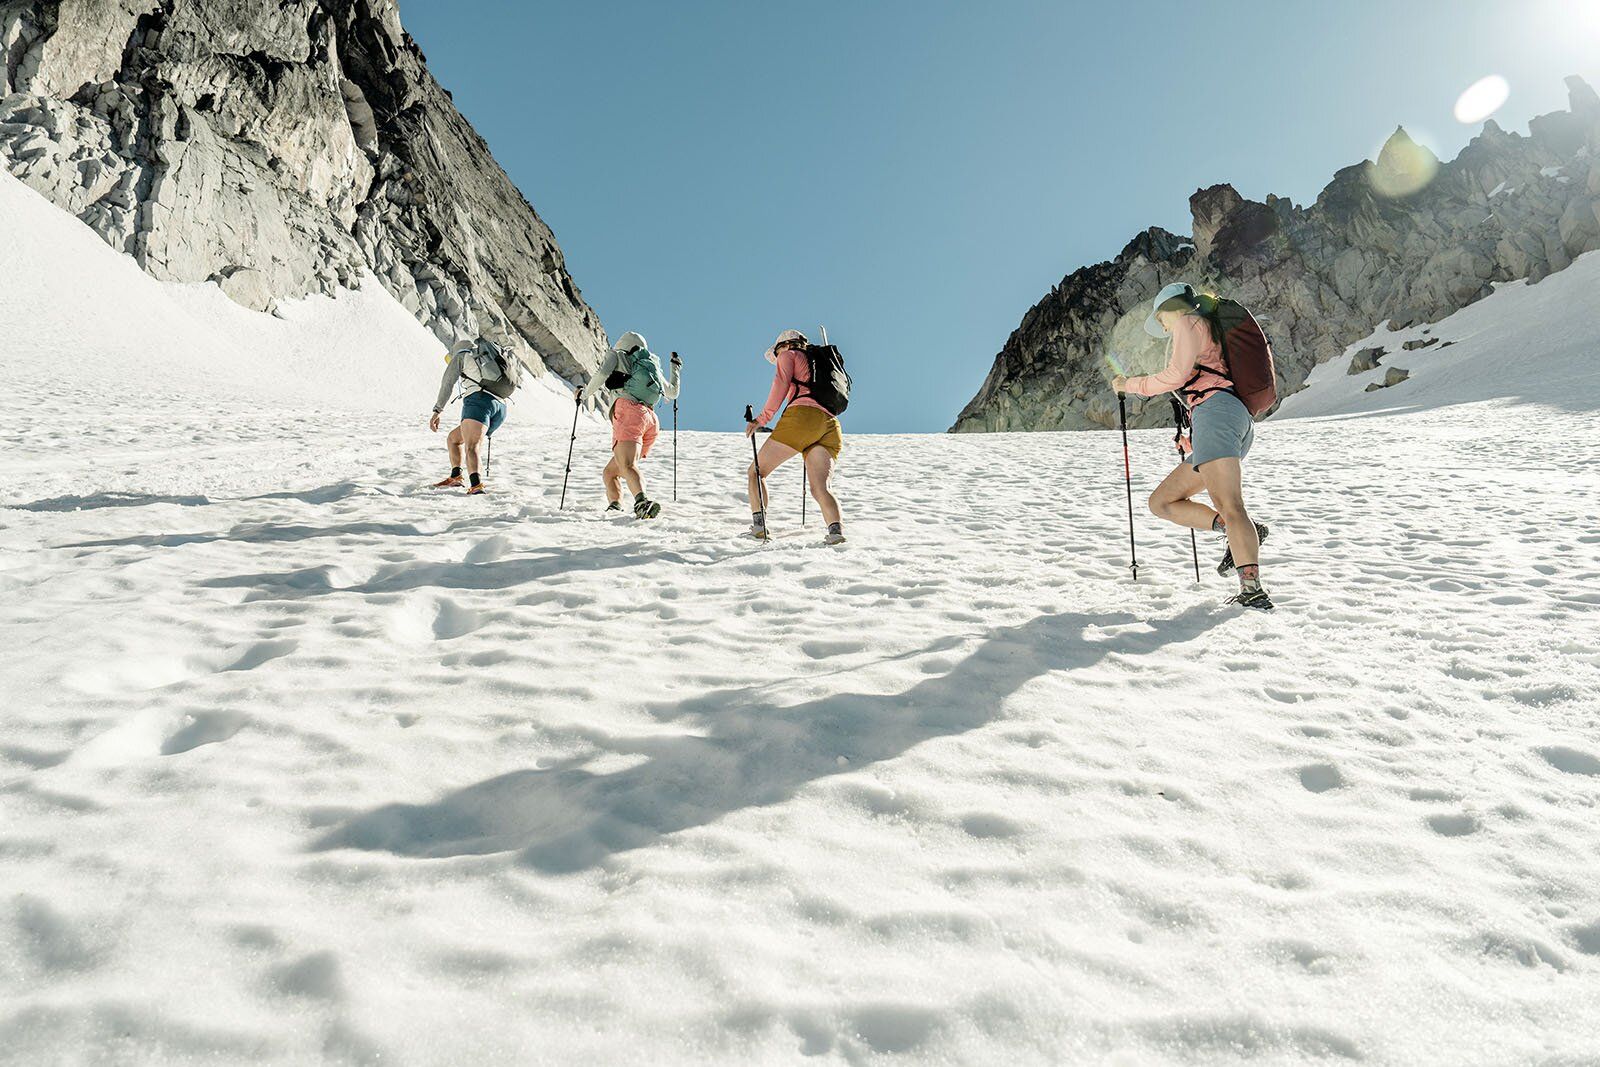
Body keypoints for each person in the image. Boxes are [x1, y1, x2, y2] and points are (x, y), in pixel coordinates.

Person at [1112, 283, 1273, 611]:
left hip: (1217, 413)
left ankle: (1253, 590)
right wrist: (1193, 438)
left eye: (1160, 321)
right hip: (1224, 418)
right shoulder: (1205, 327)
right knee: (1162, 502)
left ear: (1165, 310)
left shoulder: (1187, 321)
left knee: (1230, 503)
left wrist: (1130, 384)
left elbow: (1176, 375)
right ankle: (1238, 530)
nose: (1163, 327)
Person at [745, 329, 845, 545]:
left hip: (802, 418)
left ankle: (759, 526)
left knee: (756, 472)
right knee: (821, 488)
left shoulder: (788, 355)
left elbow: (780, 385)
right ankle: (836, 532)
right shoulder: (819, 362)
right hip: (830, 425)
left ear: (784, 345)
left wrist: (761, 420)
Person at [577, 331, 680, 518]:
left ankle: (642, 502)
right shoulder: (651, 367)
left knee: (627, 465)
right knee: (610, 472)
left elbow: (602, 373)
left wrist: (584, 394)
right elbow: (672, 393)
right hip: (650, 419)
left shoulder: (618, 356)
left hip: (629, 413)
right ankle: (615, 505)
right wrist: (675, 369)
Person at [429, 338, 507, 496]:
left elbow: (447, 383)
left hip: (478, 402)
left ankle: (476, 486)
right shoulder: (486, 358)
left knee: (472, 446)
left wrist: (437, 411)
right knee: (454, 439)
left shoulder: (461, 356)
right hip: (500, 407)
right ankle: (456, 476)